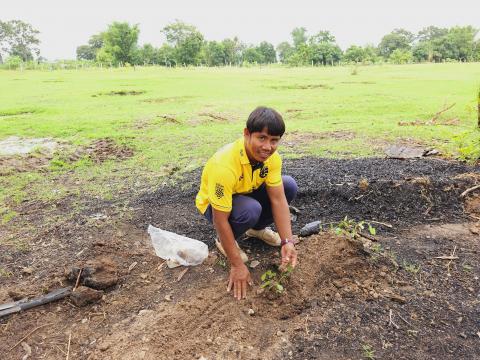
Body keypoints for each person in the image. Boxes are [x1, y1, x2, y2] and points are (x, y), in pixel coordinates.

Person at [195, 106, 298, 300]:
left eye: (274, 140)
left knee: (288, 185)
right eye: (262, 138)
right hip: (215, 206)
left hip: (246, 192)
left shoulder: (272, 158)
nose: (267, 147)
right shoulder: (224, 165)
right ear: (247, 134)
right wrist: (237, 264)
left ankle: (257, 230)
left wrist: (287, 241)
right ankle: (225, 241)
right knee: (250, 210)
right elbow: (219, 217)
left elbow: (278, 199)